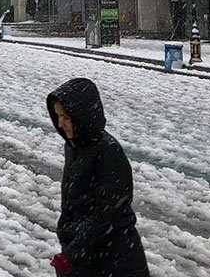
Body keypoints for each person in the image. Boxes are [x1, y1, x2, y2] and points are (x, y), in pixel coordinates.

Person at [46, 78, 149, 277]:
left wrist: (73, 253)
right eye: (58, 116)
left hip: (114, 258)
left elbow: (107, 215)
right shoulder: (74, 146)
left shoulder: (108, 151)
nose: (60, 123)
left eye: (66, 117)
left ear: (81, 115)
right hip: (88, 254)